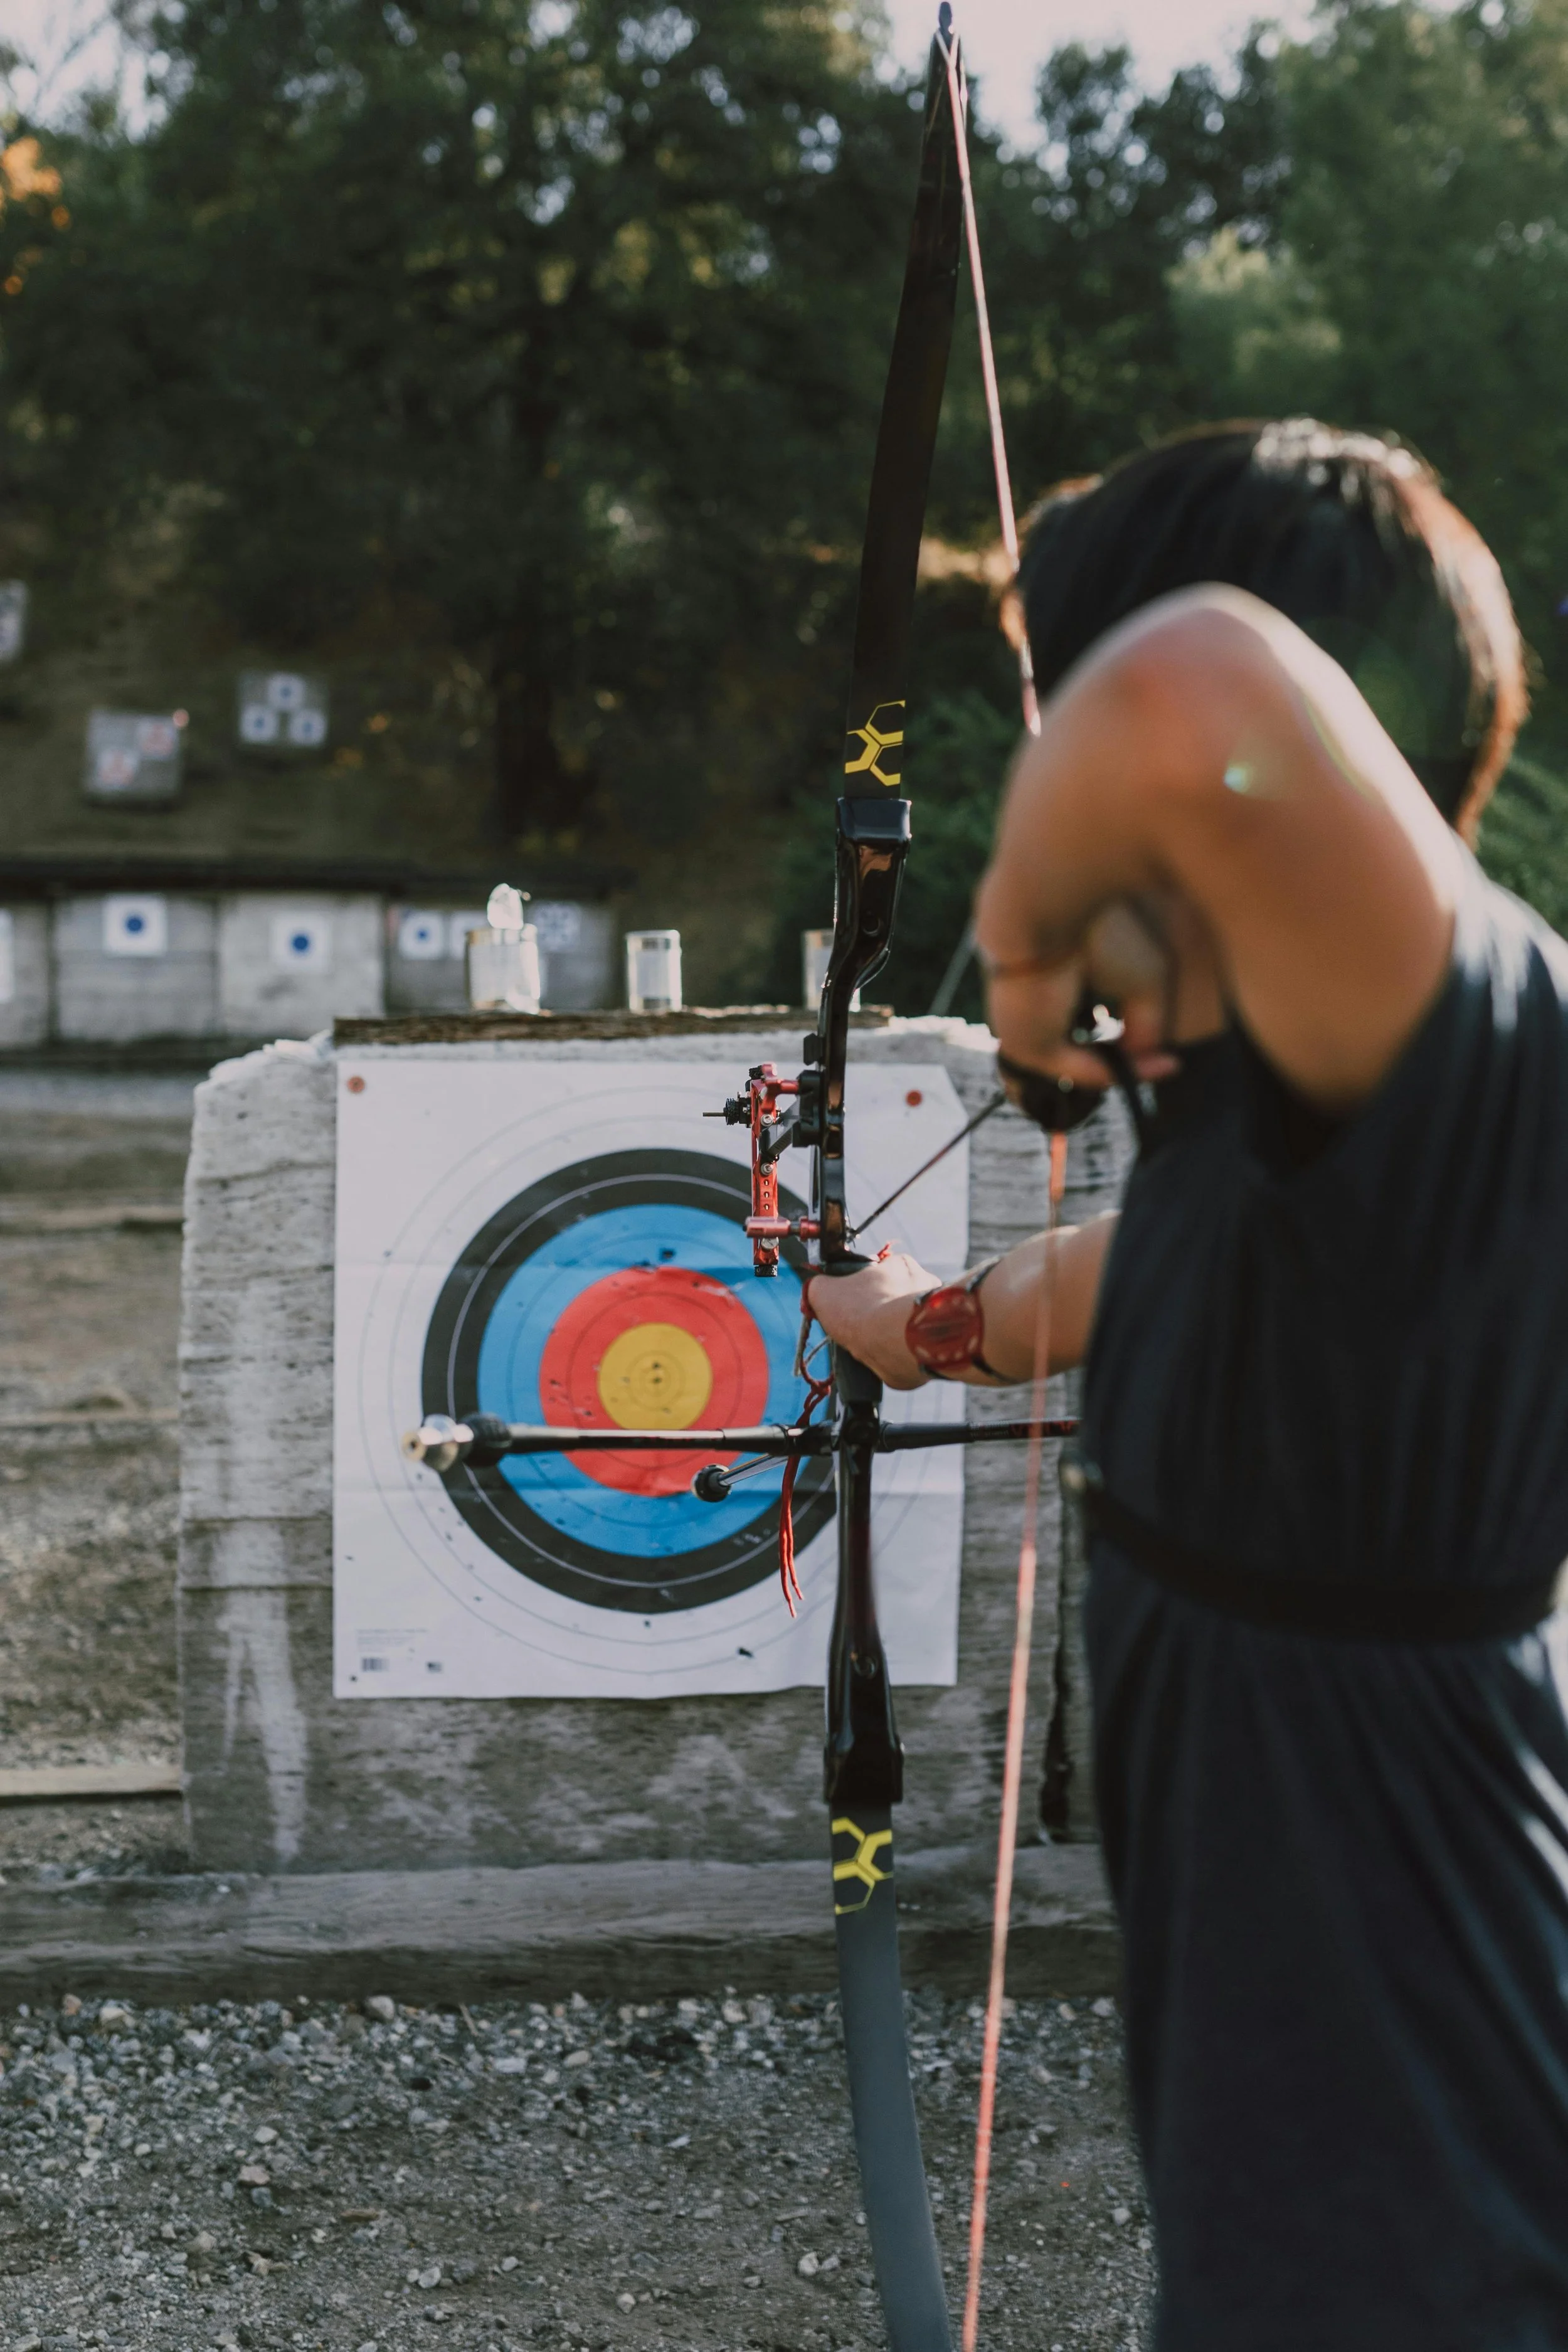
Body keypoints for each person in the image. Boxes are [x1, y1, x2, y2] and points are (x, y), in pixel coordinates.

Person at [807, 419, 1568, 2349]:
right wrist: (932, 1320)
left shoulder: (1471, 1045)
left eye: (1057, 721)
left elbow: (1183, 677)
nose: (1059, 759)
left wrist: (1017, 955)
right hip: (1327, 2187)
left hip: (1435, 2223)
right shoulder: (1318, 1147)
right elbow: (1164, 1266)